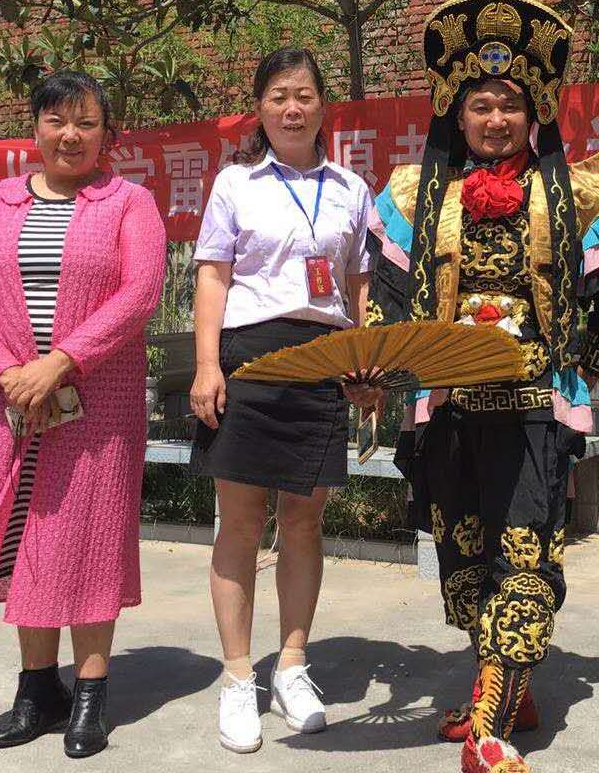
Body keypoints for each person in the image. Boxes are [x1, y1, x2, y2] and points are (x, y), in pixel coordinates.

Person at [366, 0, 599, 773]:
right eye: (481, 106)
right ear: (456, 115)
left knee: (524, 557)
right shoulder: (417, 196)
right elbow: (386, 300)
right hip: (450, 408)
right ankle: (509, 688)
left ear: (534, 115)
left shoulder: (572, 194)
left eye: (509, 106)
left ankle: (491, 726)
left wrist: (583, 367)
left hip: (532, 407)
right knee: (465, 557)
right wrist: (380, 367)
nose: (495, 119)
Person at [0, 70, 166, 759]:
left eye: (86, 123)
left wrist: (61, 362)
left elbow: (140, 293)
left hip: (98, 406)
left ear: (107, 135)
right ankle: (38, 689)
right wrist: (9, 373)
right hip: (11, 405)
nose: (71, 135)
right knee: (23, 535)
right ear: (35, 128)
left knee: (91, 537)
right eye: (57, 121)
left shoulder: (129, 203)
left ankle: (91, 692)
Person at [188, 47, 377, 754]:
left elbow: (357, 282)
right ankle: (239, 677)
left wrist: (363, 361)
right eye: (278, 96)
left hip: (324, 360)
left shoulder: (351, 188)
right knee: (240, 523)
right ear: (260, 108)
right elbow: (213, 277)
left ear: (323, 107)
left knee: (303, 522)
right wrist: (208, 366)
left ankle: (292, 666)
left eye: (304, 96)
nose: (292, 109)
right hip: (250, 359)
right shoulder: (235, 183)